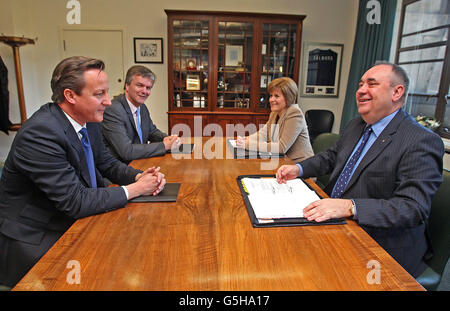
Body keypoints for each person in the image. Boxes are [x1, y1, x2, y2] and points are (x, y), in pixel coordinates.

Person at [0, 56, 166, 287]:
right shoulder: (40, 134)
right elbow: (75, 201)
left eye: (107, 92)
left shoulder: (89, 119)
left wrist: (138, 175)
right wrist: (136, 189)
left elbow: (106, 162)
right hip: (36, 237)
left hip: (71, 220)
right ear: (70, 95)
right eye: (99, 94)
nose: (108, 102)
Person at [276, 62, 444, 277]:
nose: (361, 90)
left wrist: (349, 206)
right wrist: (298, 169)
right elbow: (331, 157)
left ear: (397, 92)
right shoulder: (357, 125)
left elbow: (412, 208)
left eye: (371, 84)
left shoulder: (420, 140)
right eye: (360, 84)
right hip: (336, 223)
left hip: (380, 245)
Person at [102, 65, 179, 164]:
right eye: (139, 85)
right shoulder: (113, 110)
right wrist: (164, 146)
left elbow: (151, 131)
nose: (144, 91)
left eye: (148, 88)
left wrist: (167, 138)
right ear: (127, 86)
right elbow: (126, 151)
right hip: (121, 169)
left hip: (140, 162)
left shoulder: (142, 107)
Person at [236, 77, 314, 162]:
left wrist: (249, 145)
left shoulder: (295, 114)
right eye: (271, 95)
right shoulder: (275, 113)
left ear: (288, 97)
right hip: (283, 161)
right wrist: (246, 139)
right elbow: (263, 134)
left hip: (299, 166)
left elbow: (281, 147)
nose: (271, 100)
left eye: (276, 96)